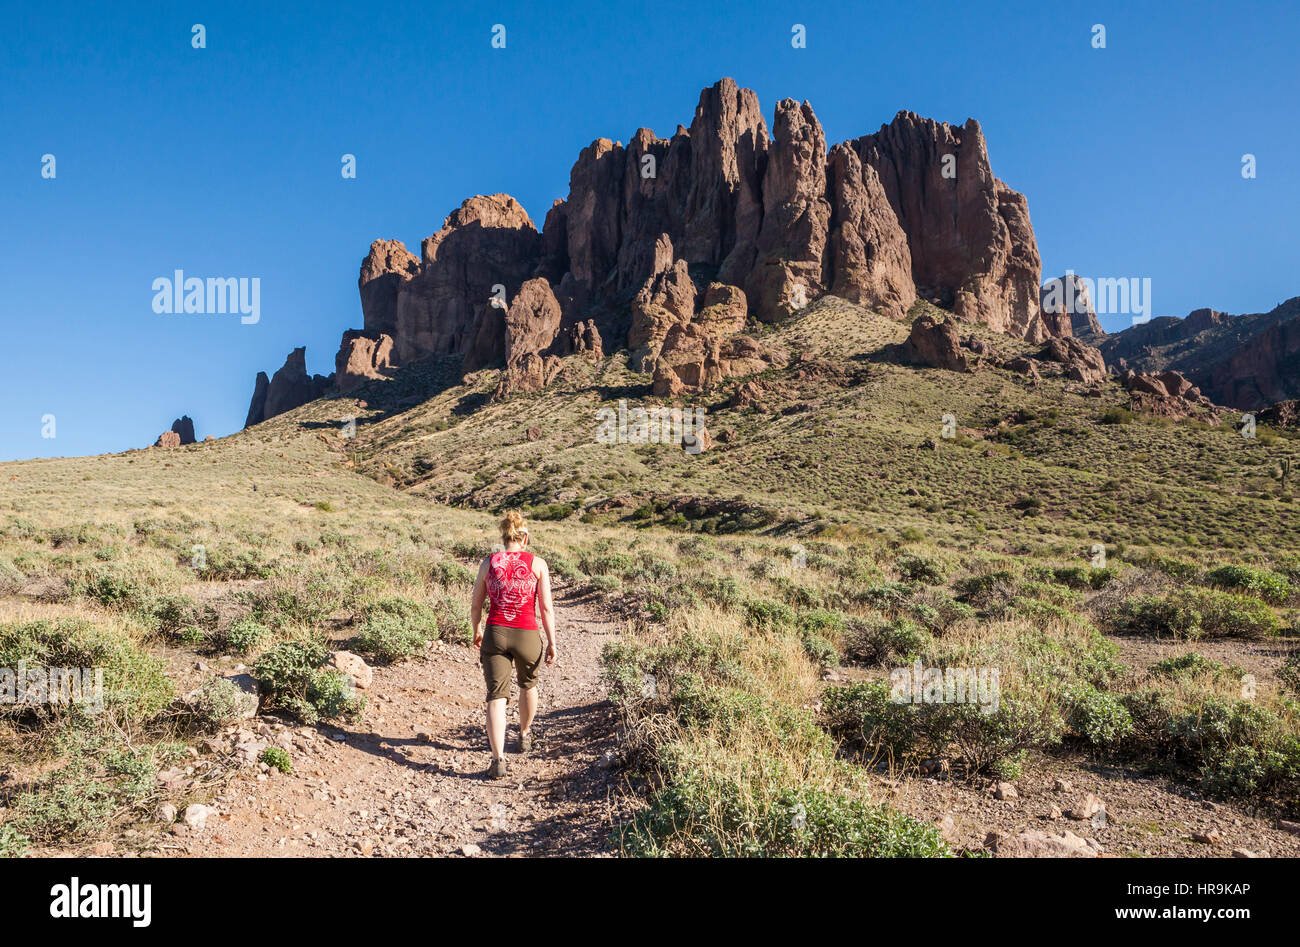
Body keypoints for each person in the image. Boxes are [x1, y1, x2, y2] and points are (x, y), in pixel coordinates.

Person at [469, 511, 557, 779]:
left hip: (496, 632)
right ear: (525, 538)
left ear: (504, 536)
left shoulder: (489, 563)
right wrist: (552, 642)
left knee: (496, 696)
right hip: (527, 633)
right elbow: (546, 608)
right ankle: (525, 734)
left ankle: (498, 760)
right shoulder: (537, 563)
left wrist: (477, 630)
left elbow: (476, 604)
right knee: (528, 684)